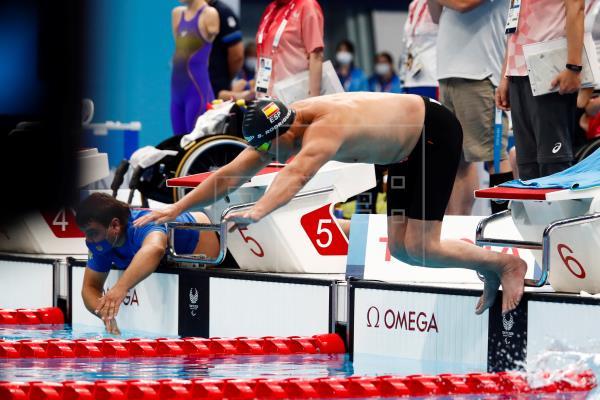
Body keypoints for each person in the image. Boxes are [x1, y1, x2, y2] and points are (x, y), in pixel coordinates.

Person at [135, 94, 527, 315]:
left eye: (274, 148)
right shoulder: (282, 127)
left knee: (423, 244)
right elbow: (228, 175)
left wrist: (258, 210)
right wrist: (172, 209)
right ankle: (488, 268)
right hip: (403, 153)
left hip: (432, 136)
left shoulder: (323, 129)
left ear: (287, 130)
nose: (273, 155)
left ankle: (506, 264)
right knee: (404, 251)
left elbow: (296, 175)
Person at [75, 193, 219, 334]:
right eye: (85, 233)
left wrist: (120, 288)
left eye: (92, 232)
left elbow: (155, 248)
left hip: (207, 243)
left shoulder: (143, 223)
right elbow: (89, 287)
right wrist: (104, 314)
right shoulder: (102, 244)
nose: (89, 239)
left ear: (115, 225)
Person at [428, 0, 513, 215]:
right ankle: (459, 225)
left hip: (480, 75)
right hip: (448, 74)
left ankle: (504, 223)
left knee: (495, 157)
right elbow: (436, 16)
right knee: (457, 161)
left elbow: (463, 3)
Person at [496, 0, 585, 180]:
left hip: (548, 70)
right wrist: (506, 74)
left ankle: (560, 209)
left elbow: (576, 8)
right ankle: (536, 209)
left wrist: (573, 66)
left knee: (554, 163)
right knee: (527, 164)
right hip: (518, 72)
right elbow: (514, 21)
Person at [255, 0, 324, 97]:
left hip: (294, 98)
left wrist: (313, 101)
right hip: (265, 99)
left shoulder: (307, 5)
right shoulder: (271, 8)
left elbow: (316, 55)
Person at [171, 0, 220, 135]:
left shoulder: (209, 14)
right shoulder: (177, 14)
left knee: (194, 144)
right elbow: (181, 50)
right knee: (178, 143)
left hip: (197, 92)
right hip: (177, 91)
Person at [400, 0, 439, 99]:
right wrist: (403, 78)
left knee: (433, 114)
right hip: (411, 78)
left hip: (432, 78)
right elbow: (407, 43)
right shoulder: (414, 4)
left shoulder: (442, 3)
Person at [208, 0, 244, 99]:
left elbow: (237, 56)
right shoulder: (185, 14)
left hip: (217, 88)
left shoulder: (222, 12)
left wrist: (223, 79)